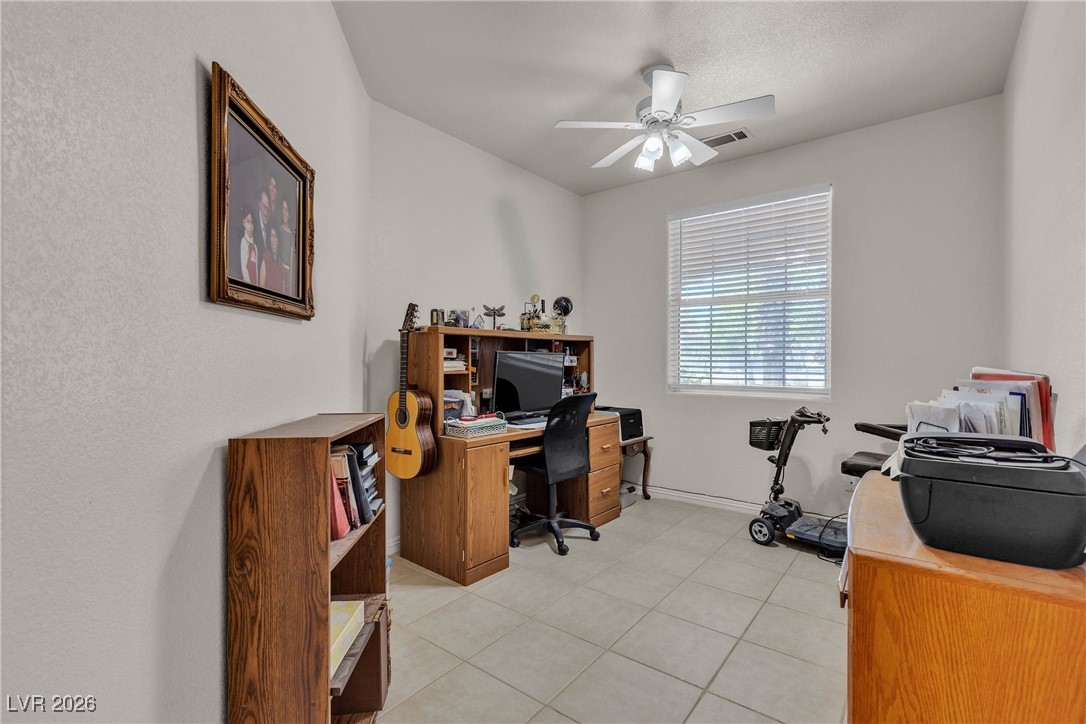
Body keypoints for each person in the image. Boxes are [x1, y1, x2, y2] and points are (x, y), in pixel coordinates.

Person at [230, 206, 259, 284]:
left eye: (252, 223)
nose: (250, 226)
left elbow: (256, 270)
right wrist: (249, 284)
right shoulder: (244, 242)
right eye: (248, 222)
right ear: (244, 223)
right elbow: (244, 268)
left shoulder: (255, 246)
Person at [259, 225, 286, 293]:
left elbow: (283, 292)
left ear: (278, 241)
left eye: (275, 236)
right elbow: (261, 290)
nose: (273, 240)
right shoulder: (265, 259)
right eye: (271, 236)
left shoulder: (281, 265)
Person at [278, 199, 296, 296]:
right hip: (280, 270)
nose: (284, 212)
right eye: (282, 209)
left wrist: (291, 289)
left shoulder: (292, 236)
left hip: (288, 272)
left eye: (286, 209)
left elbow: (291, 261)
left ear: (289, 213)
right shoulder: (279, 229)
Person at [254, 190, 273, 263]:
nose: (266, 212)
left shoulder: (271, 227)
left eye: (268, 209)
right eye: (264, 206)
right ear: (259, 204)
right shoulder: (253, 225)